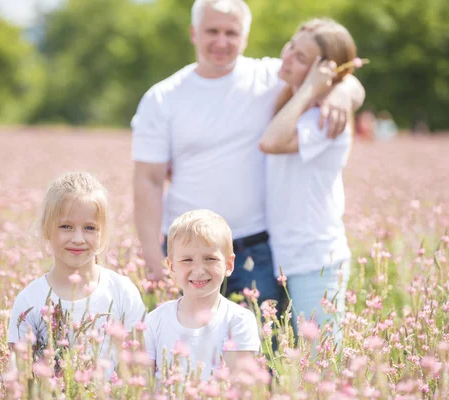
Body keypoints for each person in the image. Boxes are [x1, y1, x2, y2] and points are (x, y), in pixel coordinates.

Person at [132, 0, 365, 307]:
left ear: (244, 36)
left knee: (260, 348)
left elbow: (339, 72)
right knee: (186, 347)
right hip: (187, 249)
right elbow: (148, 181)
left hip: (258, 249)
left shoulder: (270, 76)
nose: (221, 41)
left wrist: (343, 92)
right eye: (211, 31)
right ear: (193, 33)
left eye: (231, 33)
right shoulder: (162, 98)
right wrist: (153, 257)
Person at [259, 19, 360, 344]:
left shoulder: (325, 117)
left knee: (323, 370)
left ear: (323, 72)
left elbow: (271, 142)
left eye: (301, 58)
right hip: (286, 255)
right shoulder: (295, 102)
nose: (286, 57)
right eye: (290, 46)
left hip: (316, 260)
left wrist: (316, 89)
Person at [7, 172, 146, 364]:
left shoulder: (123, 291)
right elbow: (20, 376)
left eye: (90, 228)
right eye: (66, 226)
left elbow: (138, 363)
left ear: (102, 233)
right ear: (47, 229)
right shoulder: (30, 300)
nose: (78, 239)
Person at [144, 209, 260, 381]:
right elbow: (145, 386)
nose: (198, 270)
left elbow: (239, 388)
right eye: (187, 260)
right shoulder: (155, 321)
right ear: (171, 266)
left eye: (210, 259)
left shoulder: (239, 320)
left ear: (229, 264)